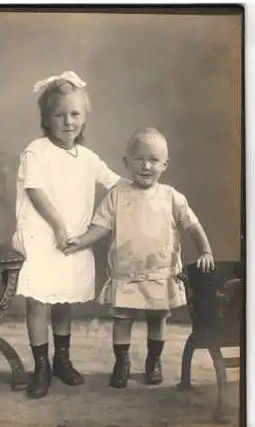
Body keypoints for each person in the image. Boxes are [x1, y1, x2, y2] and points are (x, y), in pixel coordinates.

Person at [64, 127, 214, 388]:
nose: (146, 165)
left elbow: (193, 225)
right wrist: (80, 241)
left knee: (157, 319)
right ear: (127, 162)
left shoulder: (171, 197)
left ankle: (153, 361)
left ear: (165, 164)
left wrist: (205, 250)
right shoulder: (117, 195)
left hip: (159, 272)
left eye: (154, 160)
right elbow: (101, 227)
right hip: (126, 273)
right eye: (139, 159)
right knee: (123, 319)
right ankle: (121, 362)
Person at [12, 71, 120, 399]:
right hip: (43, 239)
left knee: (63, 300)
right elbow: (35, 190)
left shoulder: (88, 158)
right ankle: (41, 365)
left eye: (75, 114)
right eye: (59, 115)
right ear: (46, 119)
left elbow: (115, 183)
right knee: (40, 301)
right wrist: (58, 226)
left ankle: (61, 359)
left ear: (84, 117)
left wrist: (146, 188)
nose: (68, 122)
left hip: (72, 243)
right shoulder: (37, 151)